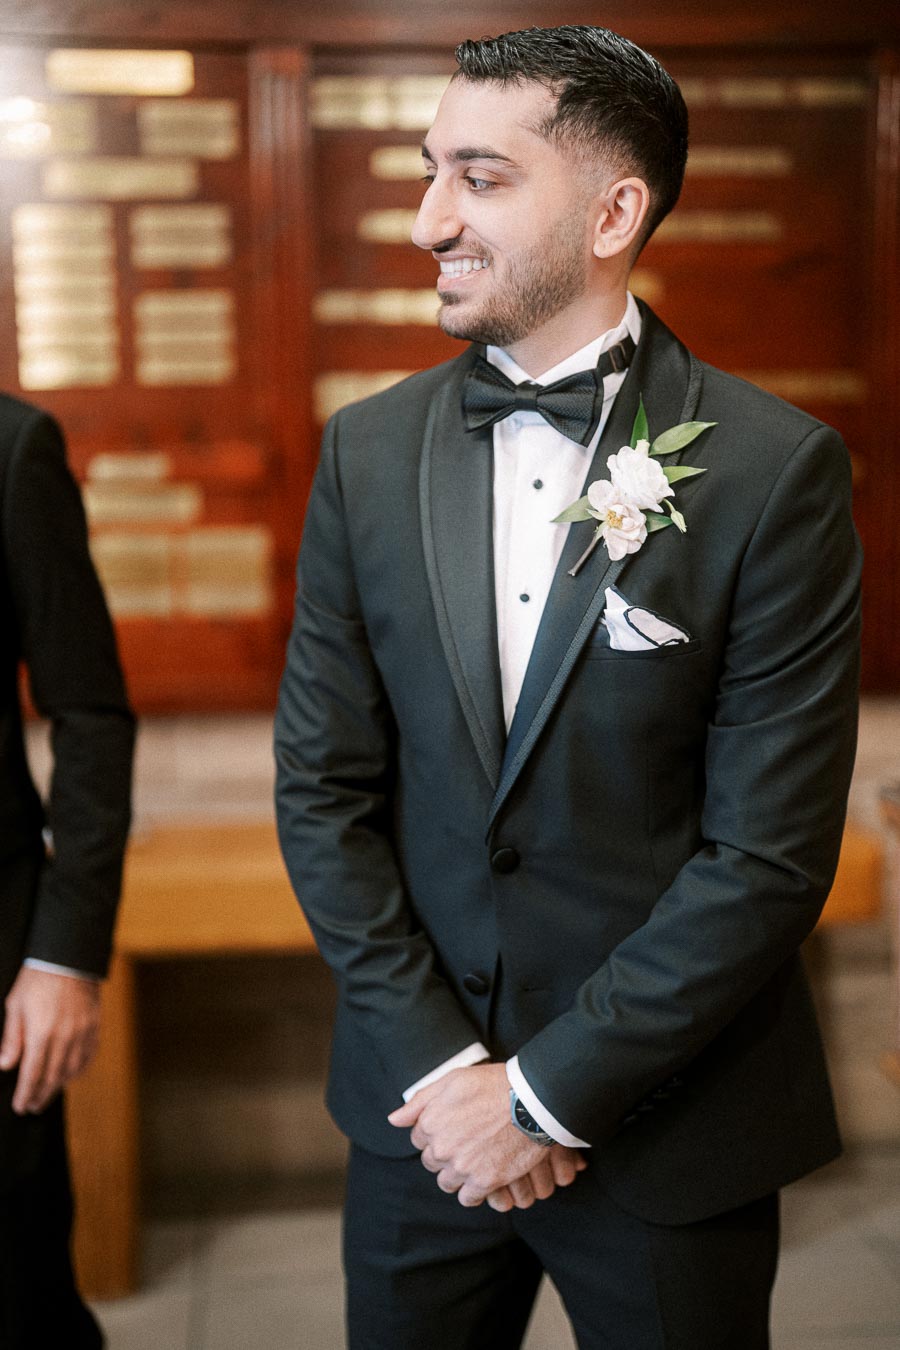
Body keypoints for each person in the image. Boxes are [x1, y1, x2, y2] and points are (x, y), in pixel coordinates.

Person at [275, 24, 861, 1349]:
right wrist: (449, 1074)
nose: (430, 218)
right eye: (430, 172)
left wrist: (542, 1096)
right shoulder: (365, 455)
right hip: (418, 1121)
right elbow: (322, 788)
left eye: (479, 177)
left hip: (672, 1128)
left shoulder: (775, 472)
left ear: (612, 210)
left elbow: (765, 856)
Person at [0, 394, 134, 1347]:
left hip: (1, 972)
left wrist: (65, 957)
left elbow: (90, 717)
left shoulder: (11, 448)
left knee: (17, 1291)